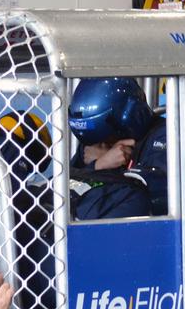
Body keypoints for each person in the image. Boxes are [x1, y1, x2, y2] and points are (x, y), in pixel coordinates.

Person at [69, 78, 168, 219]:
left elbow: (153, 197)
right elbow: (69, 184)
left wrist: (101, 165)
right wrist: (98, 165)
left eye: (105, 138)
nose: (99, 143)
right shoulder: (92, 139)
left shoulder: (165, 136)